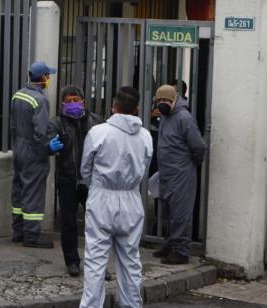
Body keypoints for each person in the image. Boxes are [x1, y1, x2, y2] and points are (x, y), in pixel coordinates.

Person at [79, 86, 153, 308]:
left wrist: (98, 184)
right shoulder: (146, 136)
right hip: (131, 198)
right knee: (130, 260)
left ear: (114, 105)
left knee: (95, 261)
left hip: (102, 197)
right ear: (137, 108)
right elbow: (145, 169)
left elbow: (85, 169)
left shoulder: (98, 132)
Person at [47, 85, 102, 276]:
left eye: (75, 100)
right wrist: (49, 147)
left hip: (92, 182)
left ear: (83, 102)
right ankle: (72, 261)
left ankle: (97, 264)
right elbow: (45, 143)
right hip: (67, 179)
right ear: (63, 104)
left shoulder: (96, 122)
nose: (72, 104)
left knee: (96, 223)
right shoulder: (57, 123)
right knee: (68, 222)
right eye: (68, 101)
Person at [151, 85, 207, 265]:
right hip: (167, 172)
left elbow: (198, 146)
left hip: (181, 173)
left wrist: (189, 164)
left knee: (180, 213)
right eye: (159, 101)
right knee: (167, 212)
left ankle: (181, 252)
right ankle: (170, 245)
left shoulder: (184, 118)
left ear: (174, 100)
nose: (162, 104)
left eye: (166, 100)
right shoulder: (165, 117)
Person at [10, 61, 61, 249]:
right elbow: (40, 133)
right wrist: (49, 148)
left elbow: (13, 125)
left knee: (19, 190)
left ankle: (18, 231)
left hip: (19, 148)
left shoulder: (18, 95)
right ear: (43, 78)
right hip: (33, 152)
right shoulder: (40, 100)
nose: (49, 80)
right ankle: (31, 235)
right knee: (33, 192)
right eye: (49, 76)